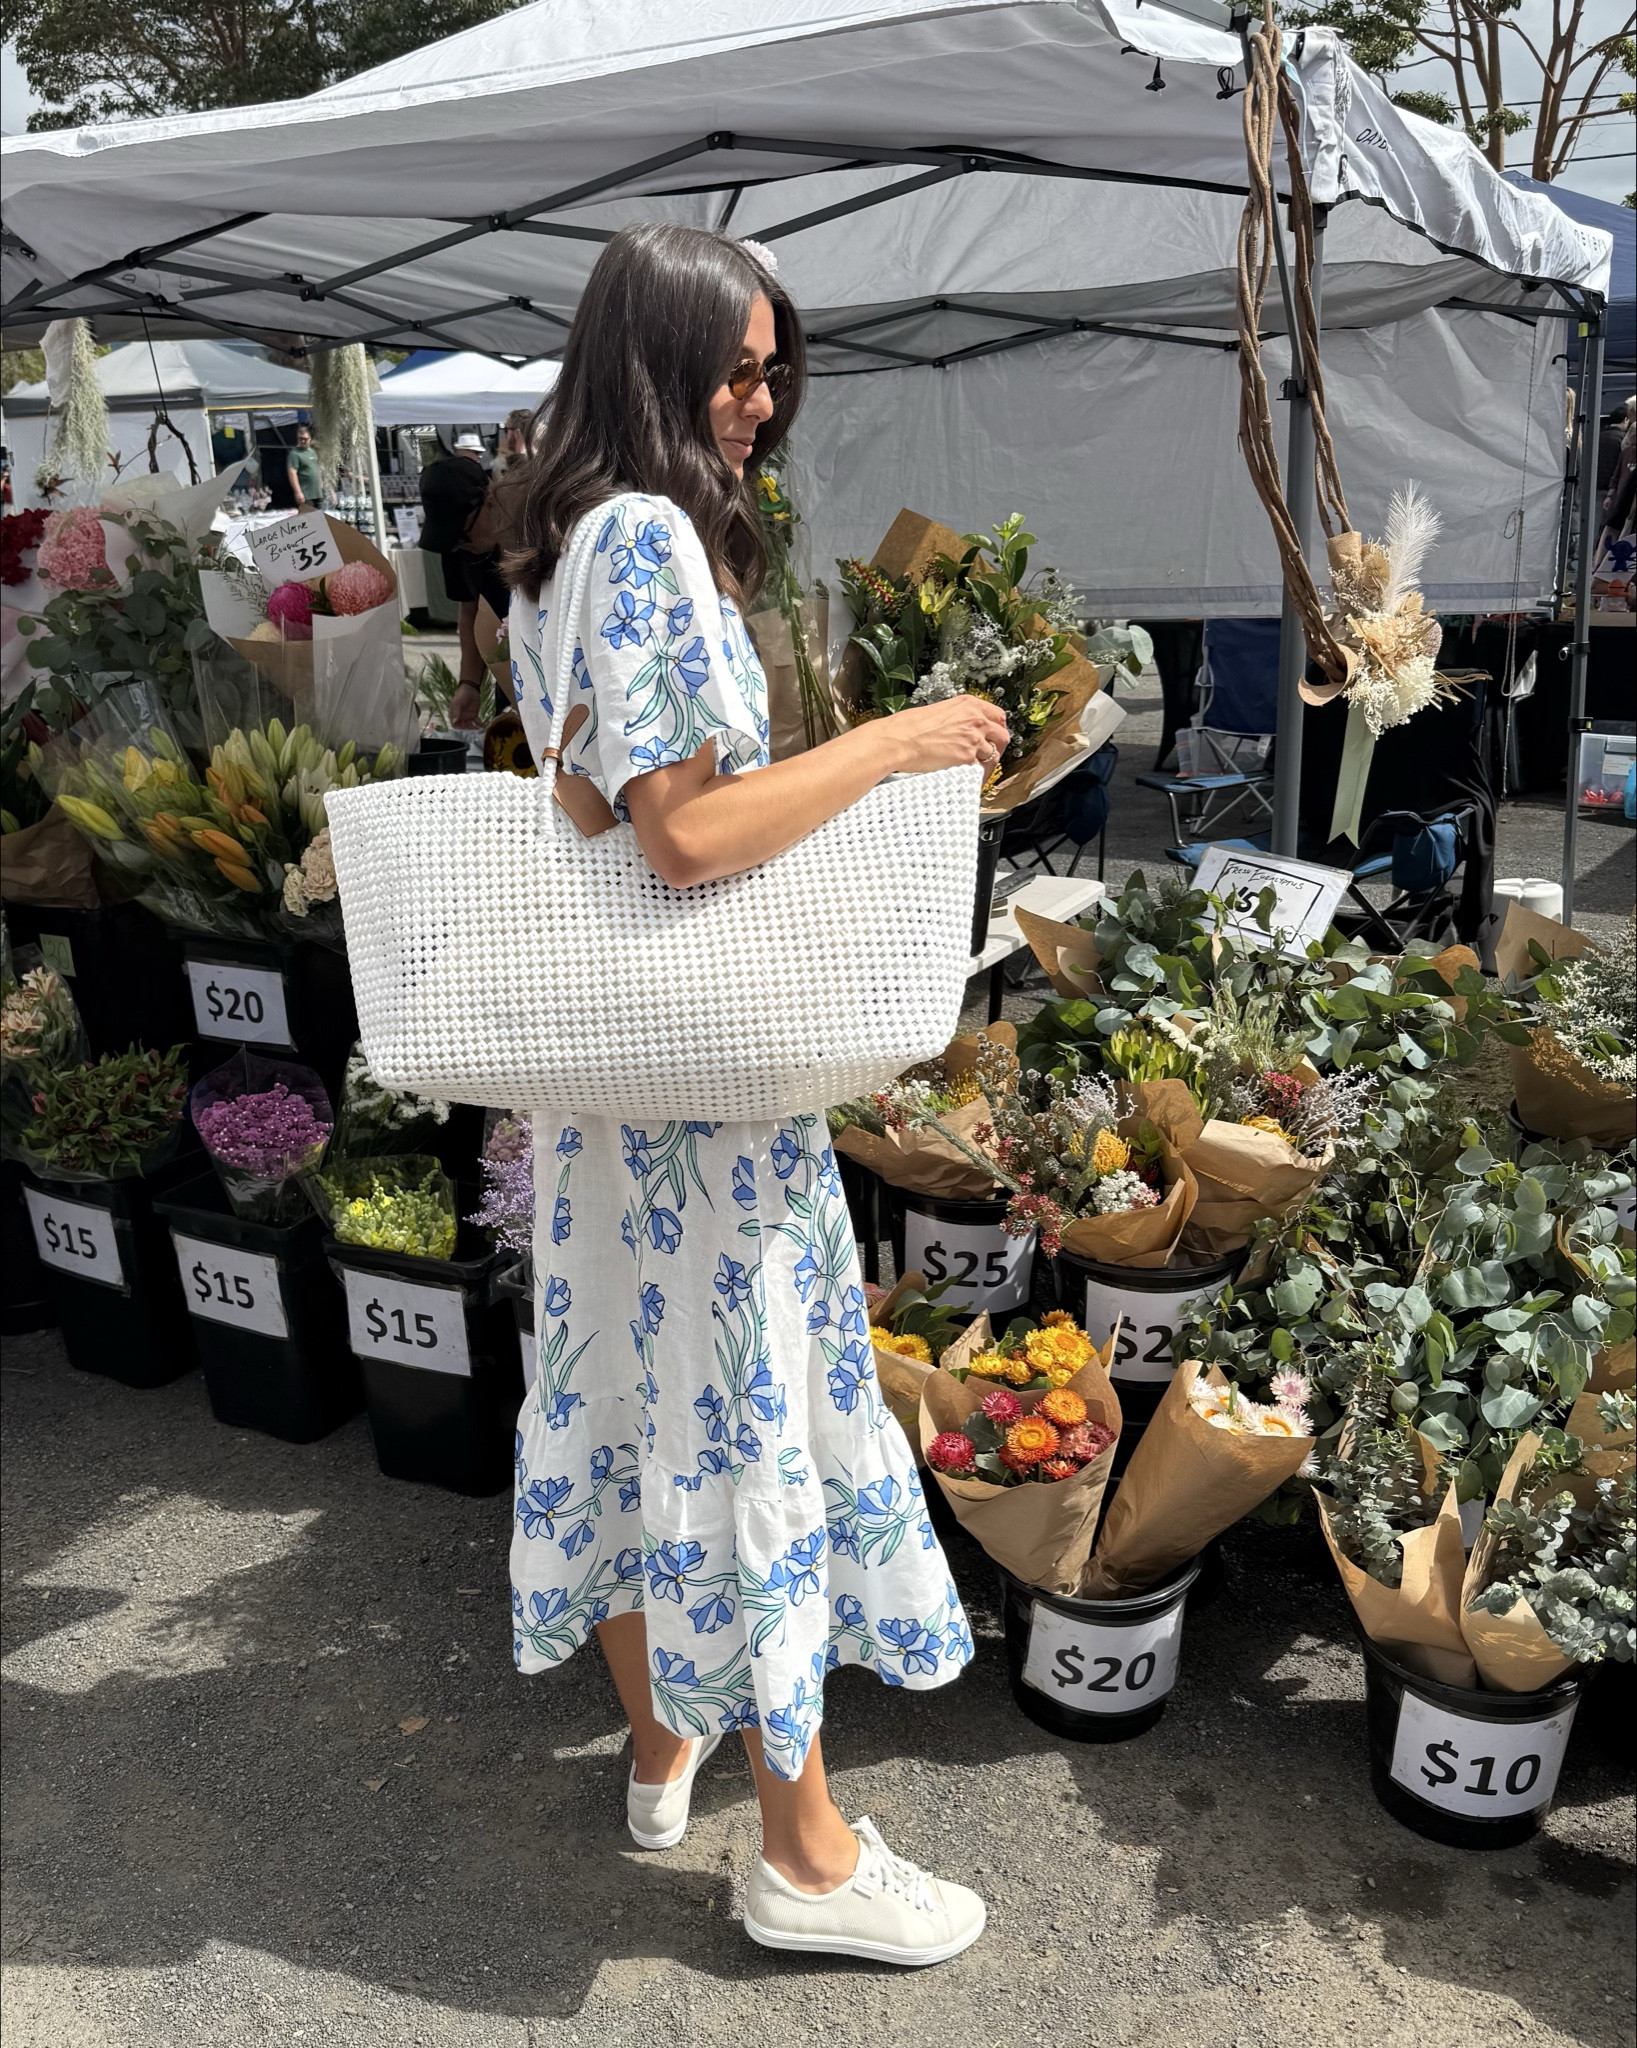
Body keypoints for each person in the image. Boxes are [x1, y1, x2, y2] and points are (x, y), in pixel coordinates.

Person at [502, 223, 1004, 1968]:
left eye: (773, 366)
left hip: (609, 1101)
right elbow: (686, 834)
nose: (760, 399)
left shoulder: (553, 545)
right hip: (709, 1115)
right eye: (731, 367)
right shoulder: (643, 537)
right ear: (652, 365)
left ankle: (661, 1747)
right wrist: (896, 741)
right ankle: (800, 1850)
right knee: (747, 1438)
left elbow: (577, 815)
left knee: (641, 1423)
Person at [419, 432, 510, 727]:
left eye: (462, 534)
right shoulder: (458, 544)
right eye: (451, 542)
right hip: (509, 673)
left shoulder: (530, 533)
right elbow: (470, 611)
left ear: (488, 501)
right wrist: (469, 684)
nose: (461, 545)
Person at [285, 424, 322, 512]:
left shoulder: (312, 452)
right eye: (300, 439)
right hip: (306, 495)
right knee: (309, 519)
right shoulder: (294, 454)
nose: (303, 441)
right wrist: (298, 492)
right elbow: (292, 473)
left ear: (310, 439)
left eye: (305, 439)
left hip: (317, 493)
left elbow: (317, 468)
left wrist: (321, 482)